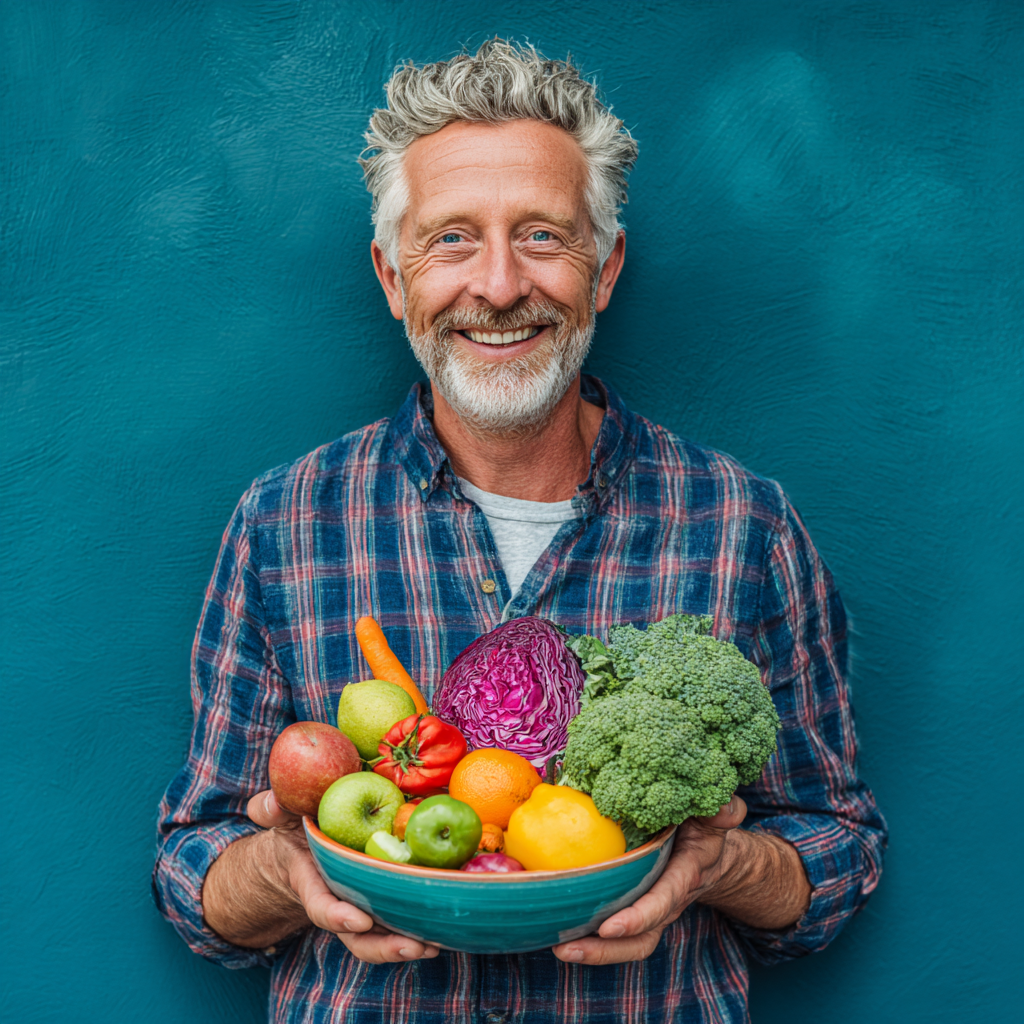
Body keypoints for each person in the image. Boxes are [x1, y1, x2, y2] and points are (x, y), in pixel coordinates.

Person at [153, 39, 886, 1024]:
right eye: (452, 239)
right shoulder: (287, 523)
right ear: (391, 275)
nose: (498, 286)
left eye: (540, 236)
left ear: (605, 266)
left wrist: (718, 865)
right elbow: (192, 872)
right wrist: (287, 873)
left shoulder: (741, 525)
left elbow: (835, 848)